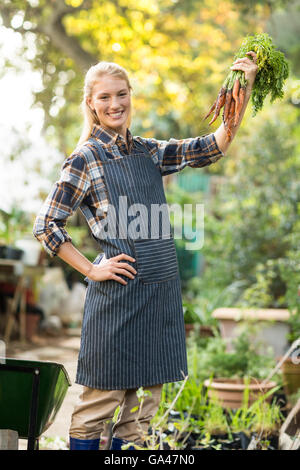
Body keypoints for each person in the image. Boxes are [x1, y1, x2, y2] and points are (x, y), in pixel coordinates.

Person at [33, 54, 257, 450]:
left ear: (131, 97)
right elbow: (47, 224)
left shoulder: (149, 151)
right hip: (117, 299)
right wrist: (92, 269)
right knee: (96, 408)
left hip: (158, 296)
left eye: (121, 94)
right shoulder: (85, 158)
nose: (115, 104)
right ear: (91, 103)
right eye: (105, 97)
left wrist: (244, 87)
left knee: (140, 415)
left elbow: (214, 145)